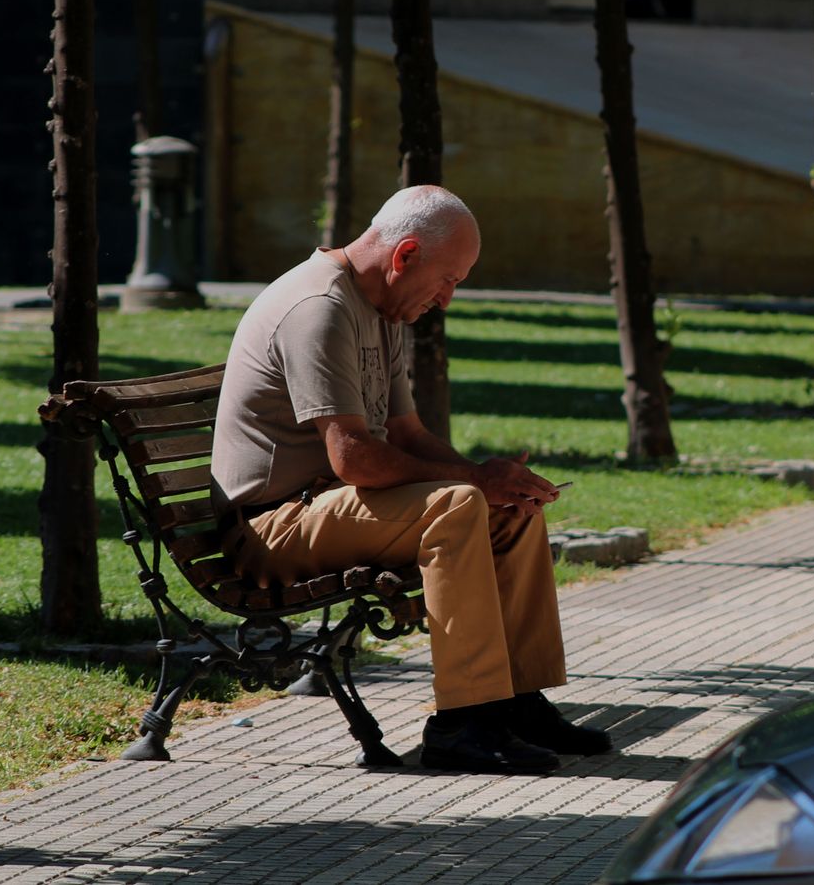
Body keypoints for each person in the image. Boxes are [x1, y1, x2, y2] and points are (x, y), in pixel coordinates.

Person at [211, 185, 610, 774]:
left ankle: (519, 700)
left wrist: (493, 481)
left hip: (332, 506)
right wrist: (473, 480)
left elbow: (410, 437)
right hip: (271, 526)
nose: (446, 299)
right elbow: (354, 458)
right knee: (456, 504)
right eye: (448, 280)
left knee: (509, 506)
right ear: (406, 255)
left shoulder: (378, 307)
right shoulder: (318, 307)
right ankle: (464, 723)